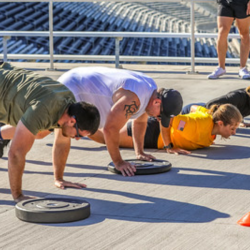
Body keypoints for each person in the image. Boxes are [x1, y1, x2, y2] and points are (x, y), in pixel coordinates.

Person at [56, 66, 183, 178]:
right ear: (157, 102)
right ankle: (58, 179)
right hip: (73, 87)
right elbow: (110, 129)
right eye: (160, 115)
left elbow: (140, 122)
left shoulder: (151, 91)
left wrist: (139, 152)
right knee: (59, 133)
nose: (158, 119)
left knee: (46, 131)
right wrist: (118, 162)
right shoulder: (134, 98)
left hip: (82, 81)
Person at [0, 62, 100, 202]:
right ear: (72, 121)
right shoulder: (43, 110)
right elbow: (16, 154)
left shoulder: (68, 103)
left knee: (40, 133)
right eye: (78, 135)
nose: (77, 139)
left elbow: (60, 142)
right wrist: (18, 196)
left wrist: (59, 178)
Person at [89, 104, 242, 154]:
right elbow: (167, 117)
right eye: (233, 128)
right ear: (220, 123)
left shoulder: (209, 125)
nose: (234, 132)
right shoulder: (198, 125)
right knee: (106, 138)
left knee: (108, 132)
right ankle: (77, 125)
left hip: (156, 133)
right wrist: (170, 146)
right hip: (152, 133)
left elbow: (196, 108)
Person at [208, 0, 250, 79]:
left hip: (243, 2)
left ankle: (243, 68)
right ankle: (221, 67)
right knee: (222, 31)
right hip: (225, 2)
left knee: (244, 33)